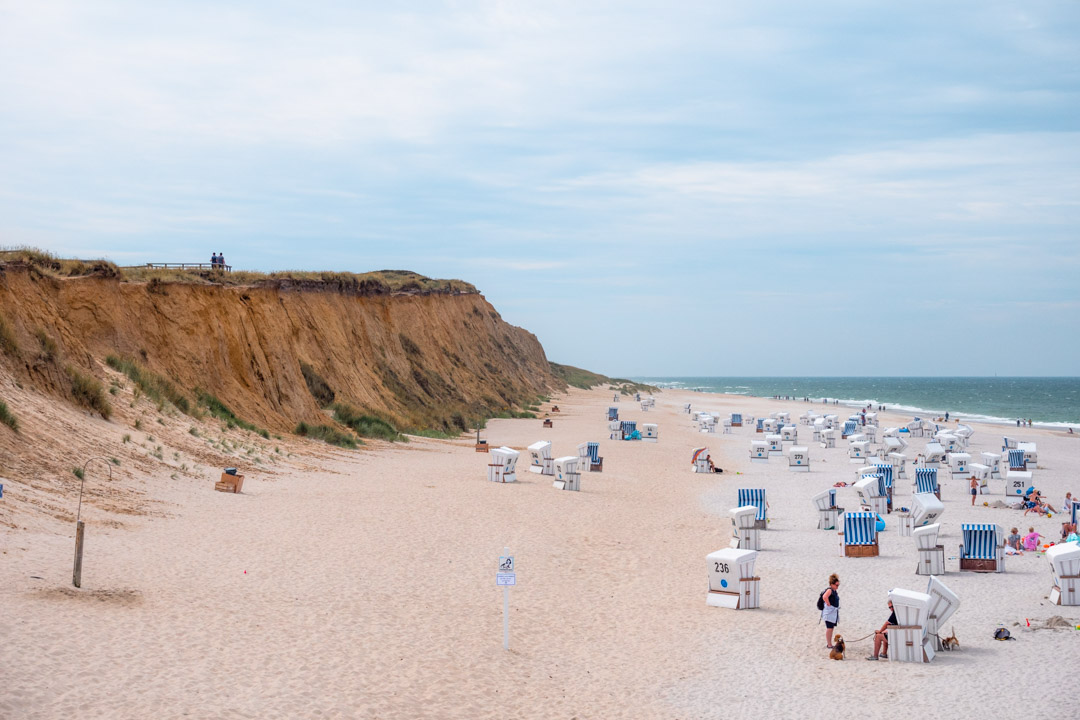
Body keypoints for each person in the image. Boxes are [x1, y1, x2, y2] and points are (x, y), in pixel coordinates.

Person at [821, 574, 840, 649]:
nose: (837, 587)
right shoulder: (829, 590)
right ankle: (829, 644)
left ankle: (830, 643)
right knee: (829, 628)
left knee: (831, 628)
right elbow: (824, 597)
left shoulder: (834, 591)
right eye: (836, 585)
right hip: (829, 612)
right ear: (832, 584)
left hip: (833, 612)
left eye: (838, 585)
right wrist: (828, 604)